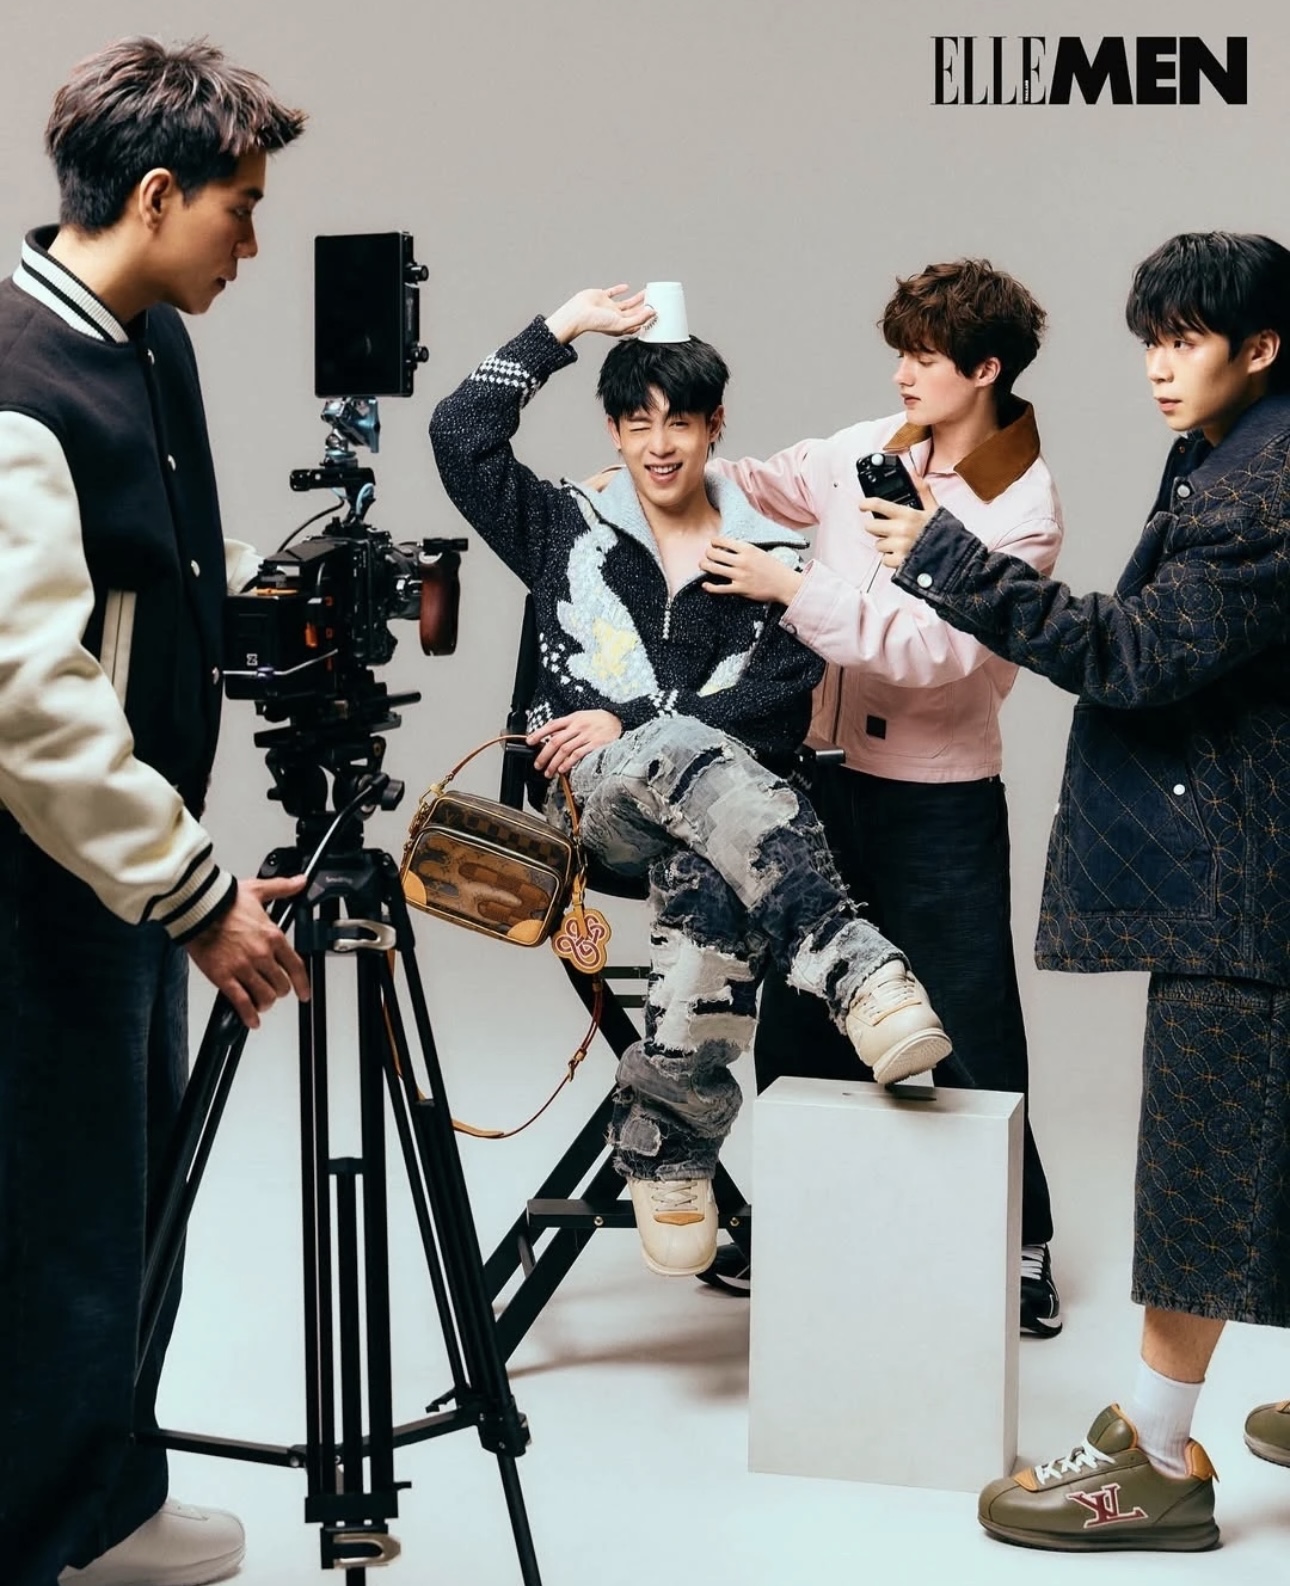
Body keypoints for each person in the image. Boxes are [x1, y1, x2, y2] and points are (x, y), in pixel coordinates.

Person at [868, 230, 1290, 1552]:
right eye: (1149, 340)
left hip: (1247, 878)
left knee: (1203, 1158)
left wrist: (946, 557)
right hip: (1265, 848)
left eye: (1185, 341)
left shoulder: (1259, 487)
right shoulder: (1235, 448)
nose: (1158, 367)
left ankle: (1154, 1460)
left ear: (1260, 347)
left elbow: (1134, 653)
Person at [429, 285, 952, 1280]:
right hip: (593, 812)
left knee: (709, 870)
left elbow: (778, 711)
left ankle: (669, 1149)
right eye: (637, 422)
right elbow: (459, 436)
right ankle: (855, 969)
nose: (659, 444)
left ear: (717, 424)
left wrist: (634, 718)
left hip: (724, 832)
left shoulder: (773, 561)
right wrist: (562, 327)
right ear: (614, 430)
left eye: (679, 421)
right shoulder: (562, 526)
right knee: (681, 754)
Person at [0, 38, 307, 1586]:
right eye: (239, 208)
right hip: (38, 882)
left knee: (129, 1199)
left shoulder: (141, 338)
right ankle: (30, 1536)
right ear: (159, 192)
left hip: (114, 872)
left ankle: (107, 1504)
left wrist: (269, 587)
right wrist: (193, 891)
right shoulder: (15, 380)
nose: (251, 241)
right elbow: (27, 696)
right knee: (54, 1221)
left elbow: (138, 559)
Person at [687, 259, 1065, 1337]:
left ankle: (1019, 1242)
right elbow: (758, 482)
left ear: (985, 370)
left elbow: (932, 650)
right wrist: (664, 457)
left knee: (969, 1020)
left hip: (938, 796)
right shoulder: (866, 448)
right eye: (899, 350)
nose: (903, 372)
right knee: (801, 1011)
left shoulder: (1022, 506)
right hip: (817, 777)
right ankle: (798, 1226)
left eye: (926, 357)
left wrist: (789, 585)